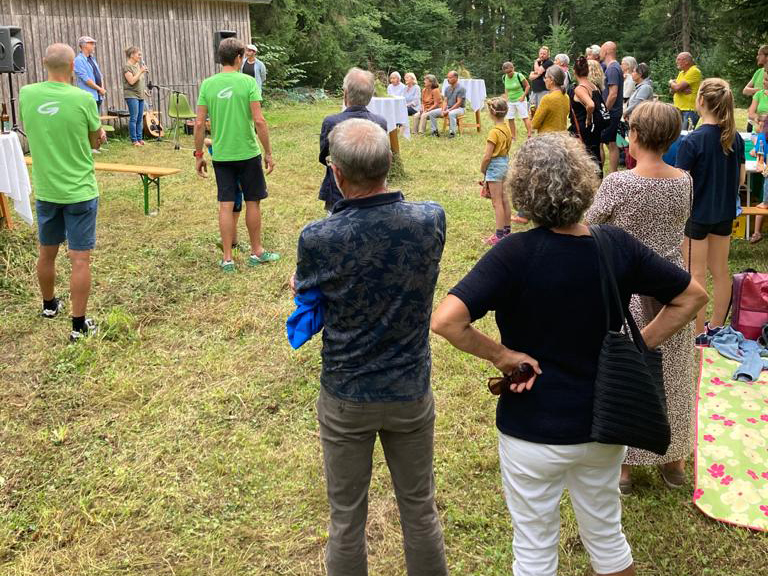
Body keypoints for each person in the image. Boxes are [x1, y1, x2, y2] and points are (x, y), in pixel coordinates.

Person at [430, 132, 707, 576]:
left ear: (523, 194)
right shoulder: (616, 244)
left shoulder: (513, 254)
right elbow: (692, 296)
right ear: (585, 183)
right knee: (608, 539)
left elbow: (446, 321)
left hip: (530, 427)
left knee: (534, 550)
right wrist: (640, 344)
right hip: (605, 421)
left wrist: (502, 357)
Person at [291, 118, 449, 576]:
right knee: (420, 509)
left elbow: (307, 289)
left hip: (346, 393)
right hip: (409, 389)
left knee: (346, 519)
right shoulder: (430, 219)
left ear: (337, 174)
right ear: (389, 163)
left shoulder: (318, 237)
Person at [585, 101, 696, 494]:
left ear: (633, 135)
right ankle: (674, 461)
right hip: (673, 289)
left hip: (627, 290)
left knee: (626, 371)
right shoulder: (684, 181)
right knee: (675, 373)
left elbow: (589, 223)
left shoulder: (619, 183)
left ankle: (624, 467)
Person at [20, 43, 107, 342]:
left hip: (47, 189)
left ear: (44, 63)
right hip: (80, 190)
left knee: (47, 253)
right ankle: (78, 325)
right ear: (73, 67)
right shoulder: (83, 99)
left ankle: (49, 306)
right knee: (79, 259)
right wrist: (98, 135)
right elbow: (94, 141)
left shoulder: (27, 93)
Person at [194, 37, 278, 272]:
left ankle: (227, 259)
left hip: (222, 155)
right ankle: (256, 252)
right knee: (253, 201)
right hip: (248, 153)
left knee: (225, 205)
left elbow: (199, 123)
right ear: (239, 58)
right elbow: (259, 121)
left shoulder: (208, 84)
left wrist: (199, 154)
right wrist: (268, 152)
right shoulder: (248, 83)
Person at [676, 78, 745, 336]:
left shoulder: (692, 141)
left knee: (695, 274)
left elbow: (681, 183)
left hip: (696, 216)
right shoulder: (735, 138)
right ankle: (716, 326)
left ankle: (697, 333)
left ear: (701, 101)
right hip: (724, 214)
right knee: (720, 271)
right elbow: (741, 180)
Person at [318, 68, 388, 211]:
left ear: (345, 94)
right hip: (373, 192)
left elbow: (324, 157)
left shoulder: (331, 122)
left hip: (339, 192)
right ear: (370, 96)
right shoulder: (380, 122)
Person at [480, 98, 513, 245]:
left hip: (494, 166)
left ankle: (498, 235)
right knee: (504, 199)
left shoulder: (494, 132)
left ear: (492, 113)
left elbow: (487, 156)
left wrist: (483, 169)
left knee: (496, 202)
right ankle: (507, 231)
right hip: (505, 163)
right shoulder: (507, 128)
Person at [570, 56, 605, 173]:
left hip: (584, 128)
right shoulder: (593, 86)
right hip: (595, 128)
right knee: (595, 154)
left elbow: (590, 105)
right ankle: (598, 177)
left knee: (583, 157)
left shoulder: (580, 89)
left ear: (574, 71)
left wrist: (588, 118)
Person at [747, 76, 768, 243]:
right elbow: (758, 152)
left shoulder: (762, 137)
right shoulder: (761, 138)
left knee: (763, 200)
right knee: (762, 199)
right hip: (764, 173)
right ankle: (757, 232)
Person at [600, 41, 624, 173]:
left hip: (612, 113)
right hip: (614, 112)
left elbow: (613, 94)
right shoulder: (614, 67)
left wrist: (604, 112)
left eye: (602, 49)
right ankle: (613, 172)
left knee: (601, 142)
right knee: (612, 143)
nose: (600, 52)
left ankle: (600, 173)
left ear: (606, 51)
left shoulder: (612, 68)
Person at [426, 70, 466, 138]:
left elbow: (459, 103)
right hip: (448, 107)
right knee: (432, 113)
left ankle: (452, 133)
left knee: (451, 113)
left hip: (459, 109)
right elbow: (445, 101)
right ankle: (434, 132)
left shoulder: (461, 88)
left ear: (456, 78)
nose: (448, 79)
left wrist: (448, 110)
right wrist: (443, 110)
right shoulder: (447, 88)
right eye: (448, 77)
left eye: (450, 77)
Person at [122, 46, 148, 147]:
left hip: (140, 95)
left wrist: (144, 90)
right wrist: (141, 71)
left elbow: (139, 80)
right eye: (139, 54)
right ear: (132, 55)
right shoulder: (127, 67)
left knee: (140, 118)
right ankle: (134, 140)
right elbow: (132, 81)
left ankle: (140, 139)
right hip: (131, 95)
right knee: (134, 118)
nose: (140, 57)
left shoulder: (137, 65)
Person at [669, 52, 703, 129]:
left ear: (686, 61)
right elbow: (672, 91)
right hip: (678, 109)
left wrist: (671, 82)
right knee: (677, 133)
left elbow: (676, 88)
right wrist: (680, 89)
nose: (676, 61)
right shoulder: (681, 73)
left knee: (685, 134)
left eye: (678, 59)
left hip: (689, 110)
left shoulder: (694, 71)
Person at [531, 66, 569, 134]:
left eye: (545, 77)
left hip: (548, 137)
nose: (544, 80)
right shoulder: (566, 96)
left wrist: (532, 115)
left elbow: (534, 124)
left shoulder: (547, 98)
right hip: (562, 136)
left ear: (551, 80)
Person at [74, 36, 105, 113]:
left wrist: (102, 88)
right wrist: (99, 89)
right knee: (89, 119)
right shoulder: (78, 60)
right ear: (84, 45)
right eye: (91, 43)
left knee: (96, 118)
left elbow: (100, 75)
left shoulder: (92, 59)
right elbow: (86, 79)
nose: (94, 46)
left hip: (98, 96)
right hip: (88, 97)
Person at [501, 61, 532, 139]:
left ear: (513, 68)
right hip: (510, 101)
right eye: (507, 72)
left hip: (520, 100)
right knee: (510, 118)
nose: (509, 74)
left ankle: (529, 135)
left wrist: (523, 96)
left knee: (524, 117)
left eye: (510, 71)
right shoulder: (504, 77)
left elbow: (527, 86)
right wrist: (506, 97)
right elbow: (506, 88)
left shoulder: (519, 75)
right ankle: (513, 136)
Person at [529, 46, 554, 110]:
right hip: (534, 90)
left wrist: (535, 62)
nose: (542, 55)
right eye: (541, 53)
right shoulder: (538, 63)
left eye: (544, 54)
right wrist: (538, 74)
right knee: (532, 109)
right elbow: (530, 77)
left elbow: (537, 71)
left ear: (548, 55)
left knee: (542, 109)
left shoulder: (549, 62)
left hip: (544, 90)